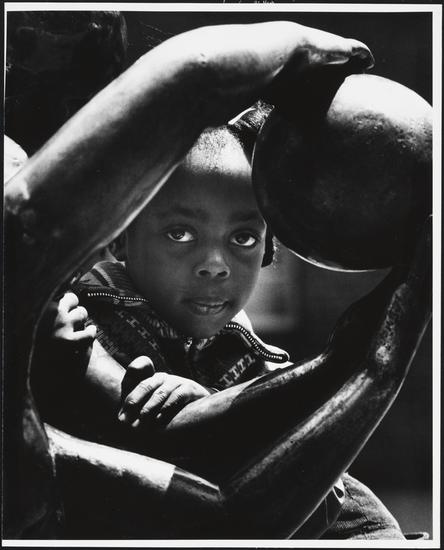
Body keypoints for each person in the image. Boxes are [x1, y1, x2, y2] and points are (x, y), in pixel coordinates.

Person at [4, 16, 431, 540]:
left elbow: (292, 468)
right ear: (118, 237)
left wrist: (208, 398)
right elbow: (223, 501)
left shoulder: (250, 351)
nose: (214, 263)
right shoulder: (88, 313)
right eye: (180, 234)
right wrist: (365, 358)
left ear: (271, 246)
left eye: (244, 238)